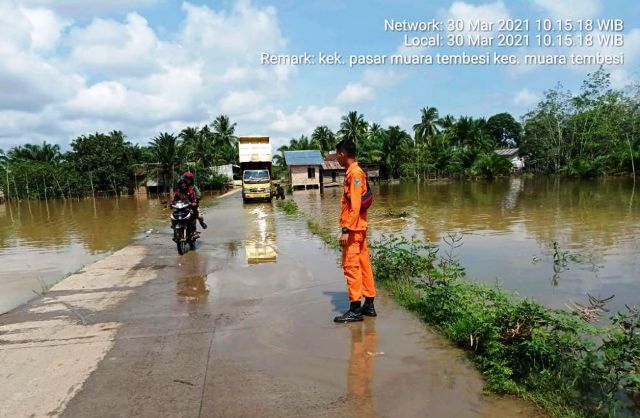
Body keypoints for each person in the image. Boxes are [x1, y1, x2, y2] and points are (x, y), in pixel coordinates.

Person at [334, 139, 377, 323]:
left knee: (352, 267)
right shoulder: (353, 172)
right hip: (359, 228)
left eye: (337, 154)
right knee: (363, 265)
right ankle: (368, 305)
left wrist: (346, 229)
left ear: (343, 153)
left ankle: (355, 310)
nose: (336, 158)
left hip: (354, 230)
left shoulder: (355, 173)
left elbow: (356, 205)